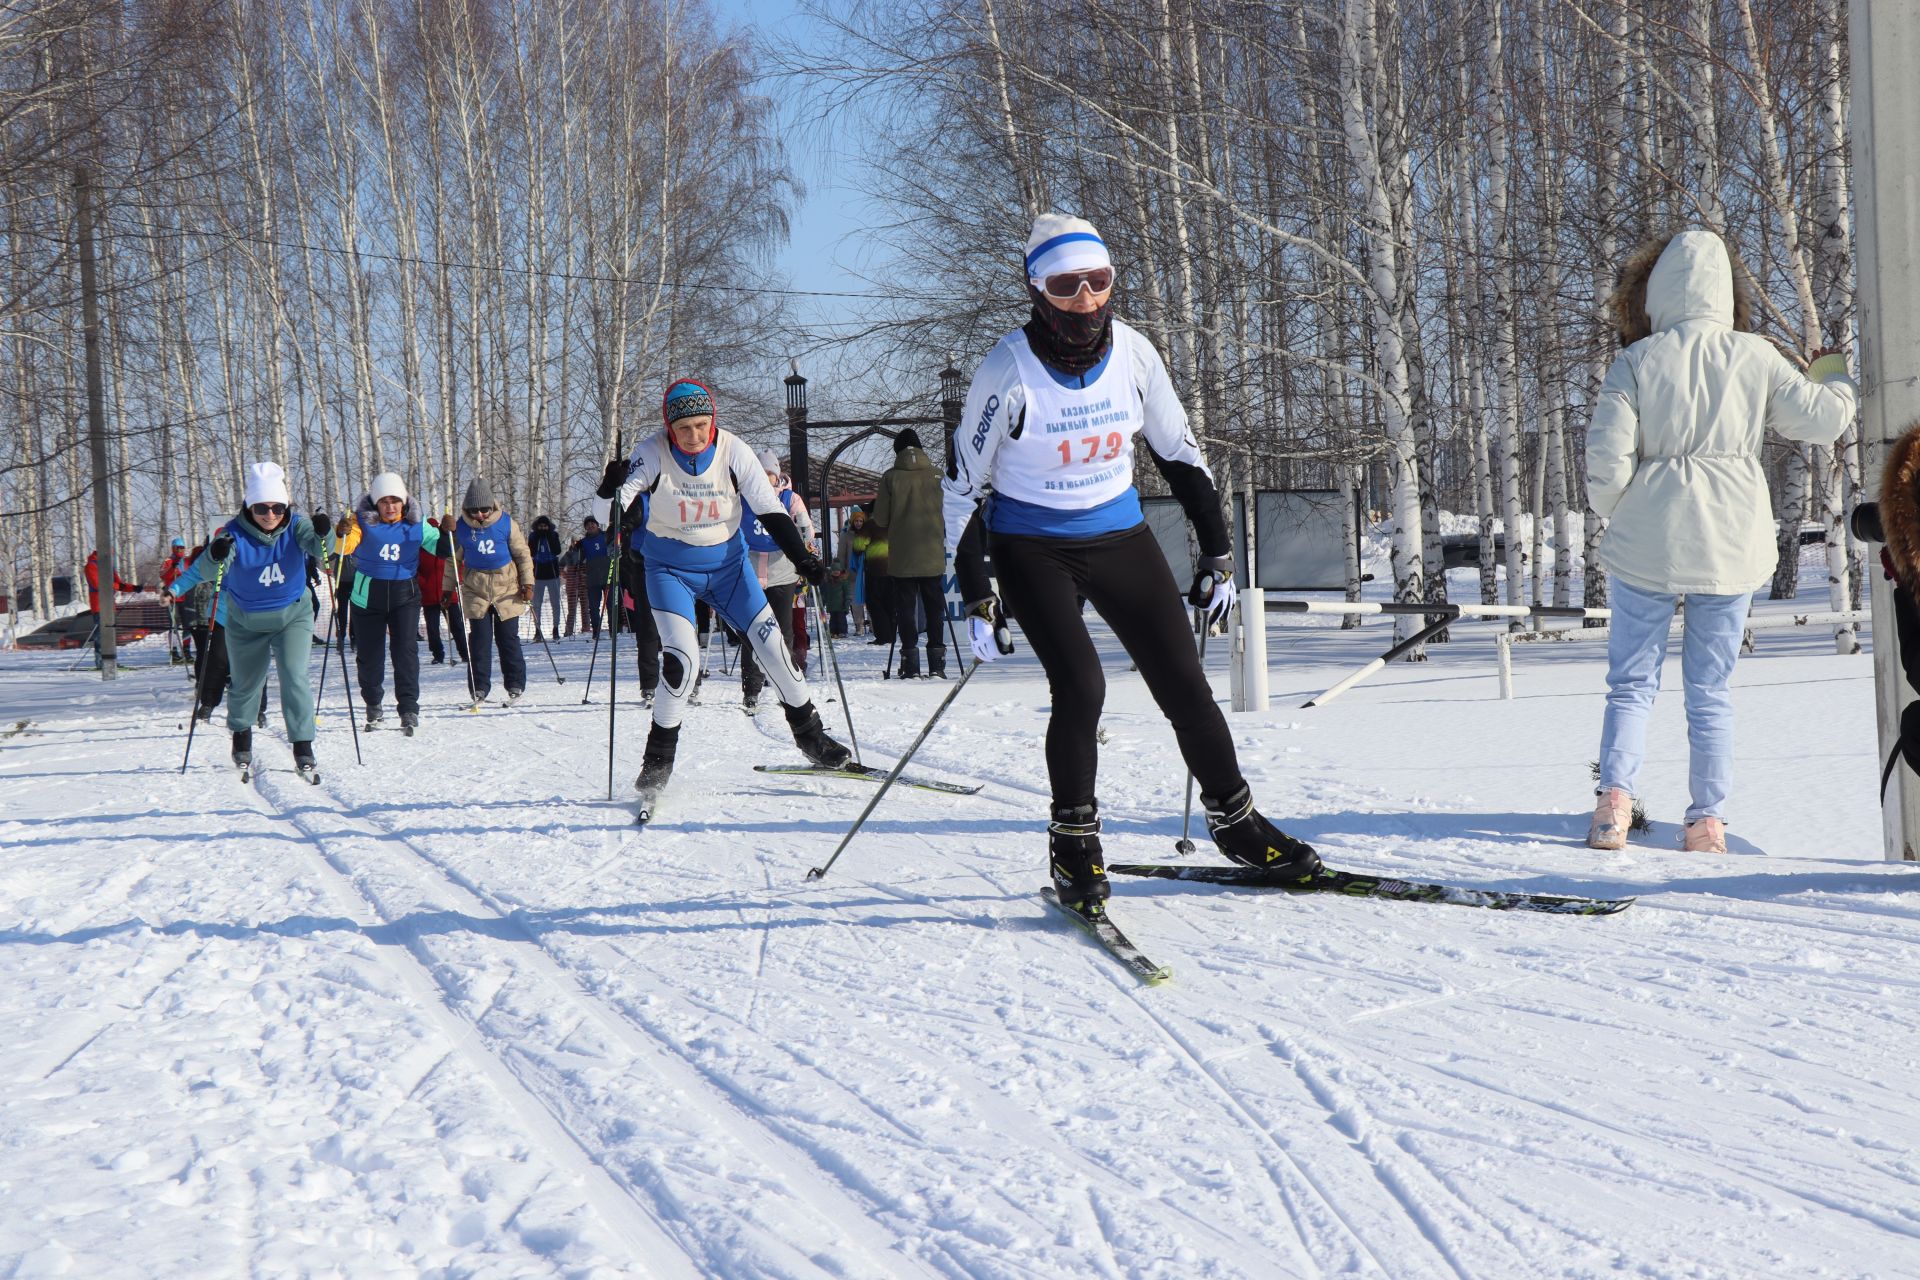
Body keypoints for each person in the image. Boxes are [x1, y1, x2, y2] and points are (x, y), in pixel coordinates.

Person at [944, 212, 1321, 913]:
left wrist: (1218, 553)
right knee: (1082, 688)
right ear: (1036, 289)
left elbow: (1181, 456)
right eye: (1066, 284)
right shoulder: (1008, 369)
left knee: (1184, 682)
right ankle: (1074, 844)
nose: (1086, 297)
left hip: (1121, 537)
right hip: (1033, 546)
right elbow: (963, 489)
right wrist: (975, 592)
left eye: (1100, 280)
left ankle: (1237, 823)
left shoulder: (1136, 356)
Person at [1584, 228, 1857, 854]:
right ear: (1724, 293)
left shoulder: (1637, 360)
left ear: (1655, 293)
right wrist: (1833, 373)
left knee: (1631, 682)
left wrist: (1621, 514)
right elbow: (1822, 420)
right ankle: (1706, 823)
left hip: (1646, 542)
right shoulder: (1753, 355)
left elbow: (1605, 456)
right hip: (1731, 541)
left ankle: (1613, 807)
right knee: (1709, 688)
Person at [602, 379, 850, 811]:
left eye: (701, 425)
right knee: (683, 661)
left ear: (713, 421)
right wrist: (617, 512)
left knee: (775, 648)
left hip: (729, 569)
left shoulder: (735, 450)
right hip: (670, 571)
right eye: (683, 429)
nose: (694, 436)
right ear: (669, 427)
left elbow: (770, 508)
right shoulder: (653, 449)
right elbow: (627, 490)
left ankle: (811, 737)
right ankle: (657, 762)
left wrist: (803, 556)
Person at [194, 461, 333, 776]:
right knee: (246, 684)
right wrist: (215, 554)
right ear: (249, 506)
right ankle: (241, 734)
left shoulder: (297, 526)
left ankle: (303, 744)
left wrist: (325, 532)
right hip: (246, 621)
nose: (270, 515)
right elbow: (206, 570)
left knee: (294, 676)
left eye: (277, 508)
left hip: (292, 616)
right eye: (261, 508)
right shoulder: (233, 533)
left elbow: (323, 550)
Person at [350, 472, 453, 734]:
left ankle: (408, 708)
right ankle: (373, 704)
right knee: (370, 655)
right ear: (375, 503)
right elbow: (342, 547)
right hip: (366, 595)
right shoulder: (360, 521)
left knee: (405, 651)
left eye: (395, 501)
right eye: (384, 502)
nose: (390, 507)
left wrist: (449, 532)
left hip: (403, 594)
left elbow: (444, 549)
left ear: (404, 501)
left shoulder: (416, 524)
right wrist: (338, 533)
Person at [738, 448, 816, 712]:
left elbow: (806, 527)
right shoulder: (742, 496)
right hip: (749, 570)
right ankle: (752, 688)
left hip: (782, 571)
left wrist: (807, 547)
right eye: (760, 474)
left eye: (769, 474)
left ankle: (787, 681)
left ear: (776, 475)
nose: (765, 479)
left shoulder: (789, 497)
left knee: (783, 631)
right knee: (753, 631)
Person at [453, 478, 536, 709]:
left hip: (506, 589)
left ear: (492, 507)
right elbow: (453, 559)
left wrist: (528, 584)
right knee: (479, 641)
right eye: (474, 510)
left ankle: (515, 684)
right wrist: (446, 588)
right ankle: (479, 686)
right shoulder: (461, 527)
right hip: (476, 589)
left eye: (484, 509)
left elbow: (523, 555)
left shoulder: (506, 523)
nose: (480, 514)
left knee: (508, 639)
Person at [873, 428, 948, 677]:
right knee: (934, 608)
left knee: (905, 609)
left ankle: (910, 662)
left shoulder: (890, 478)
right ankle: (937, 661)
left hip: (903, 557)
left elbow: (881, 519)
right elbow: (950, 512)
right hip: (932, 554)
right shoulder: (938, 475)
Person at [169, 530, 231, 721]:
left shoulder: (235, 554)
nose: (180, 550)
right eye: (177, 547)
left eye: (182, 547)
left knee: (223, 656)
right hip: (197, 610)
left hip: (221, 612)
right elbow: (186, 576)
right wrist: (171, 587)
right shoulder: (195, 557)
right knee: (208, 654)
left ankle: (250, 703)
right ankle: (206, 695)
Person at [617, 492, 663, 700]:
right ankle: (649, 684)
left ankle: (687, 678)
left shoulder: (682, 491)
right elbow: (625, 523)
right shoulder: (643, 500)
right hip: (643, 567)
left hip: (675, 567)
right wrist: (618, 530)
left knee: (679, 627)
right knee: (647, 628)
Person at [418, 515, 468, 666]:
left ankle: (465, 653)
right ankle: (438, 654)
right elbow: (416, 570)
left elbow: (458, 565)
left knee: (457, 626)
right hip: (429, 596)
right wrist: (423, 584)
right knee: (432, 630)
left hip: (448, 593)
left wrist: (457, 579)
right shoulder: (420, 549)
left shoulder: (447, 546)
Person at [857, 506, 895, 645]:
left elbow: (859, 545)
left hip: (876, 569)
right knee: (890, 603)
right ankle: (892, 634)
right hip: (893, 569)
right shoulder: (892, 522)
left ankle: (883, 636)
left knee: (875, 604)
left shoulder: (870, 525)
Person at [577, 515, 614, 640]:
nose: (590, 526)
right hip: (593, 578)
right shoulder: (583, 542)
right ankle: (596, 631)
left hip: (609, 576)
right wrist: (574, 551)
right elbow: (577, 560)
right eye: (588, 525)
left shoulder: (606, 536)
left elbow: (617, 549)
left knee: (611, 605)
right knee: (593, 607)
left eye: (593, 523)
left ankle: (613, 630)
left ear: (597, 525)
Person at [528, 514, 564, 641]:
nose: (543, 528)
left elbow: (557, 550)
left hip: (552, 573)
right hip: (537, 574)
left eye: (545, 526)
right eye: (541, 526)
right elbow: (530, 552)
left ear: (548, 526)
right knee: (536, 603)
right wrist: (537, 538)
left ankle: (555, 628)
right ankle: (537, 629)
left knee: (555, 602)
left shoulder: (553, 535)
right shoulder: (533, 536)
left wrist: (549, 537)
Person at [838, 508, 872, 636]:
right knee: (856, 601)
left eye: (861, 520)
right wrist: (842, 570)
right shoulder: (846, 535)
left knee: (870, 599)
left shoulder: (869, 533)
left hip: (867, 571)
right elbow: (841, 554)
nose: (858, 523)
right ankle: (859, 625)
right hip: (852, 572)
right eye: (856, 521)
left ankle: (873, 624)